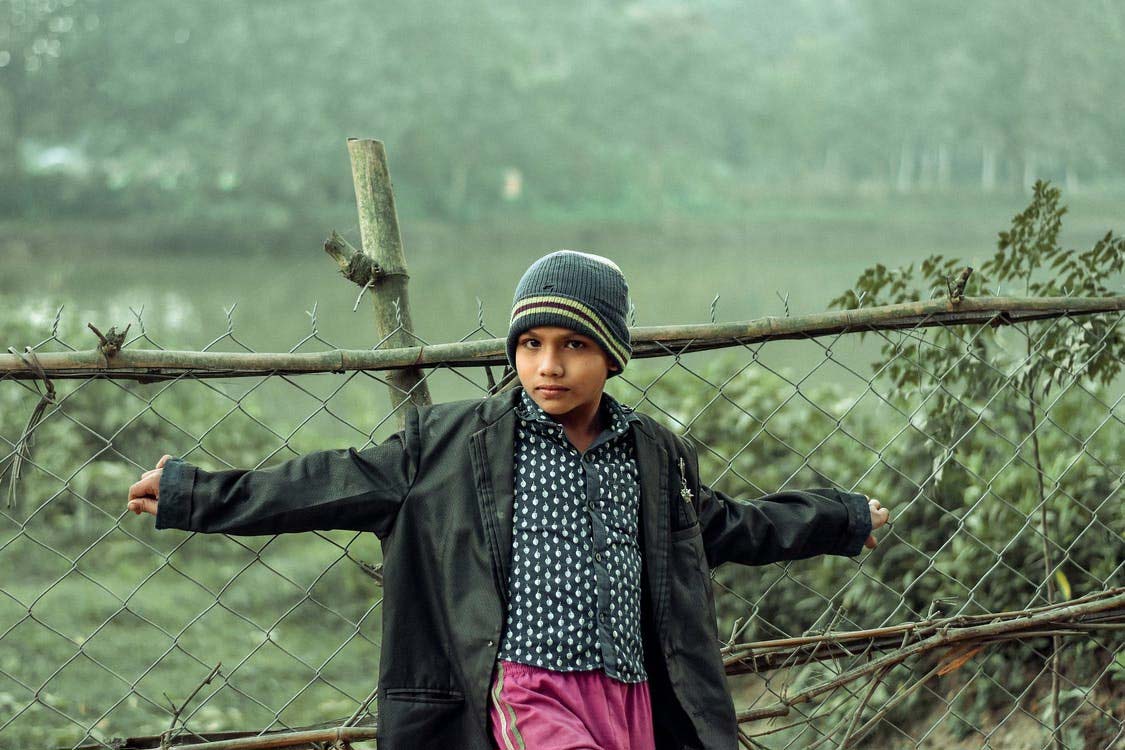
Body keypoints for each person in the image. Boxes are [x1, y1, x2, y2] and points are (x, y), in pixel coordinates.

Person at [128, 250, 891, 750]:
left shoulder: (652, 455)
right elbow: (319, 485)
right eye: (530, 345)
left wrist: (839, 519)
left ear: (612, 355)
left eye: (573, 345)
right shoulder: (451, 447)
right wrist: (193, 493)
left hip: (625, 694)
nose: (548, 365)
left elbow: (727, 528)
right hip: (523, 687)